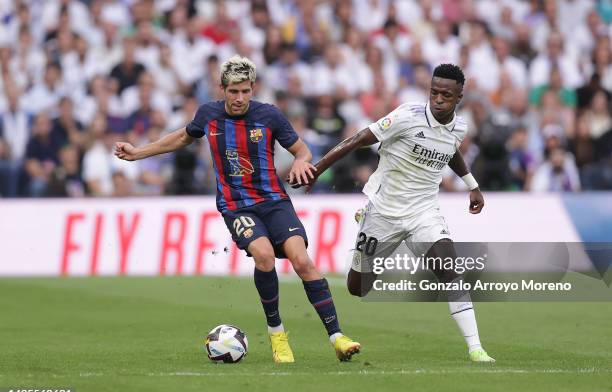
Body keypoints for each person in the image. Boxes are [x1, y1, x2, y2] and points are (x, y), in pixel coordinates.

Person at [115, 55, 360, 363]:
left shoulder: (269, 116)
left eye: (245, 91)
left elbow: (302, 150)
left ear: (252, 89)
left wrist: (300, 161)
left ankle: (337, 338)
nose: (240, 98)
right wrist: (139, 153)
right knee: (264, 255)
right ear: (223, 89)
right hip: (236, 205)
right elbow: (180, 138)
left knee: (302, 261)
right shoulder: (209, 115)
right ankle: (277, 335)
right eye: (233, 91)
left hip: (274, 201)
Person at [297, 64, 495, 363]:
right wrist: (317, 169)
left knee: (451, 270)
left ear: (459, 97)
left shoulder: (460, 127)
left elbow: (450, 148)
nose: (438, 99)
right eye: (434, 92)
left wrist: (472, 184)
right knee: (357, 287)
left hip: (424, 212)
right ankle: (367, 228)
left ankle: (476, 348)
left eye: (446, 95)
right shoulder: (407, 116)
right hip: (383, 212)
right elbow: (357, 139)